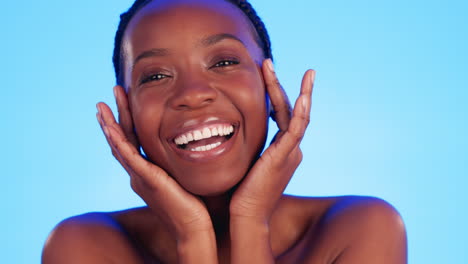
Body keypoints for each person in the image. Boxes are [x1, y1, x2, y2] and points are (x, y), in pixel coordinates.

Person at [42, 0, 407, 263]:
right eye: (155, 76)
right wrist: (193, 235)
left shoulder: (360, 229)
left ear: (270, 88)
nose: (192, 94)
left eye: (224, 62)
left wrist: (250, 221)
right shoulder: (83, 246)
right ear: (127, 114)